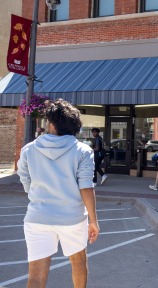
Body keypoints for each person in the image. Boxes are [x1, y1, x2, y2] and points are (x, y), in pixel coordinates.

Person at [17, 98, 99, 288]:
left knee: (36, 275)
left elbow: (24, 177)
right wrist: (94, 221)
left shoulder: (29, 150)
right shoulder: (83, 151)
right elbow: (86, 186)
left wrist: (37, 194)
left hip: (37, 217)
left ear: (51, 123)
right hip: (72, 218)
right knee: (78, 262)